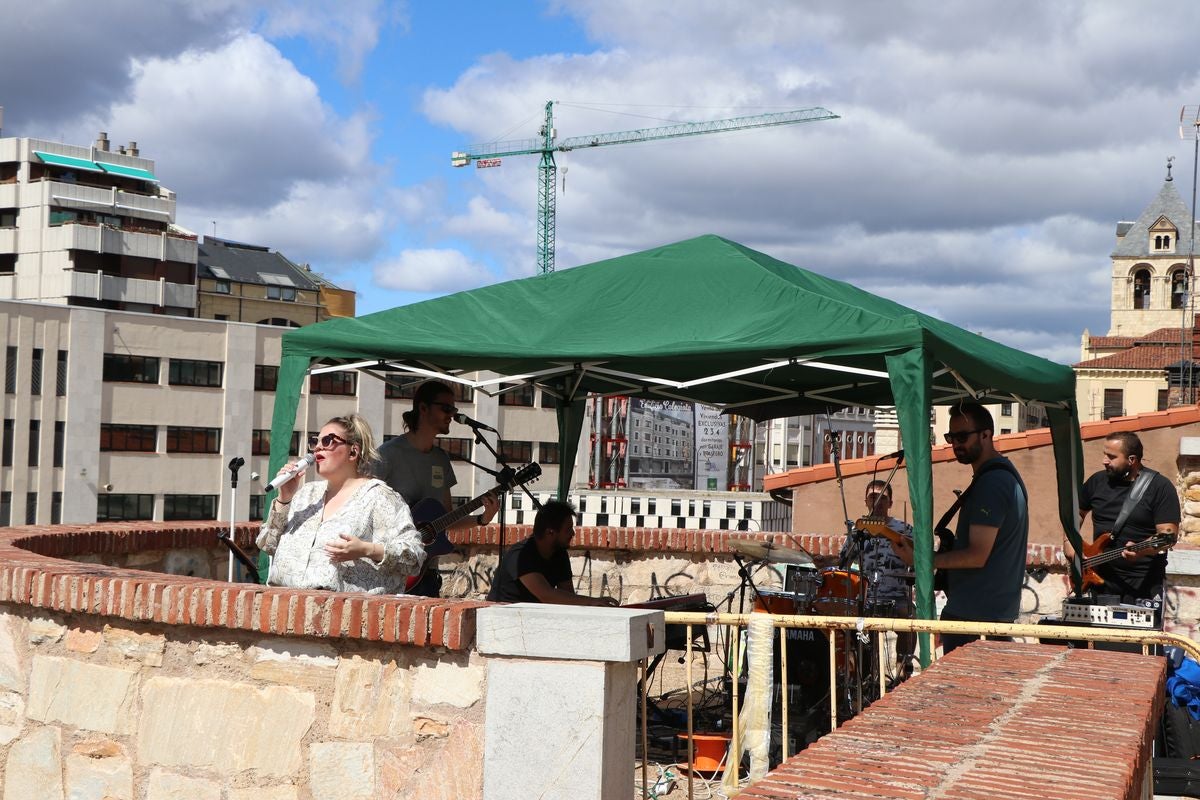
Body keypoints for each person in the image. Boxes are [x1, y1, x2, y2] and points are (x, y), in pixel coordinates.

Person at [892, 402, 1028, 655]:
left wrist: (923, 559)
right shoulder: (999, 478)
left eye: (963, 436)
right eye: (951, 437)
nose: (956, 444)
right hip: (983, 614)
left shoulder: (993, 484)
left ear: (987, 434)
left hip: (976, 617)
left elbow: (977, 555)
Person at [257, 414, 425, 594]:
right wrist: (285, 498)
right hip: (286, 608)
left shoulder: (379, 497)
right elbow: (267, 544)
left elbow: (414, 556)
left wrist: (367, 549)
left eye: (328, 440)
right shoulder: (307, 494)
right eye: (316, 441)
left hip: (345, 614)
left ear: (353, 452)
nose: (318, 447)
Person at [378, 381, 500, 597]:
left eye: (453, 409)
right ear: (423, 408)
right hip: (390, 572)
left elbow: (446, 520)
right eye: (446, 408)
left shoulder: (441, 459)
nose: (451, 415)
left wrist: (482, 519)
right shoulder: (388, 455)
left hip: (427, 575)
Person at [1073, 431, 1179, 604]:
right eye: (1104, 454)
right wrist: (1069, 543)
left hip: (1143, 584)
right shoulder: (1097, 481)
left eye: (1111, 456)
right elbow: (1076, 514)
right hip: (1100, 581)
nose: (1104, 461)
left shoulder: (1160, 487)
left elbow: (1168, 536)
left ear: (1132, 460)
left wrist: (1142, 550)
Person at [844, 479, 915, 677]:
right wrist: (824, 561)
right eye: (873, 497)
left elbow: (919, 561)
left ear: (890, 503)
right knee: (852, 625)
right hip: (866, 598)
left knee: (910, 618)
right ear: (866, 501)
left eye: (883, 498)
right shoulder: (858, 531)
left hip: (897, 597)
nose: (878, 502)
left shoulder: (905, 530)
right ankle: (863, 677)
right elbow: (844, 562)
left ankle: (902, 673)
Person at [487, 500, 619, 606]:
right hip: (502, 620)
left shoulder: (559, 553)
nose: (573, 533)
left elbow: (567, 596)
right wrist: (592, 601)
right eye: (568, 529)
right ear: (550, 532)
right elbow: (547, 595)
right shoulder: (521, 555)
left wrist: (594, 604)